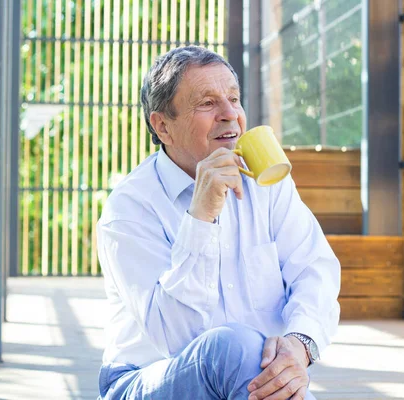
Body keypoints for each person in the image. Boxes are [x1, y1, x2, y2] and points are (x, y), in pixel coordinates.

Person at [96, 45, 341, 400]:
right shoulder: (129, 209)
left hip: (250, 380)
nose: (231, 115)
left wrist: (299, 345)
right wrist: (201, 219)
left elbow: (314, 270)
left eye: (234, 99)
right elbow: (175, 337)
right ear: (163, 126)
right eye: (207, 103)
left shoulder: (266, 182)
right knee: (231, 346)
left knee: (250, 358)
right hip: (146, 379)